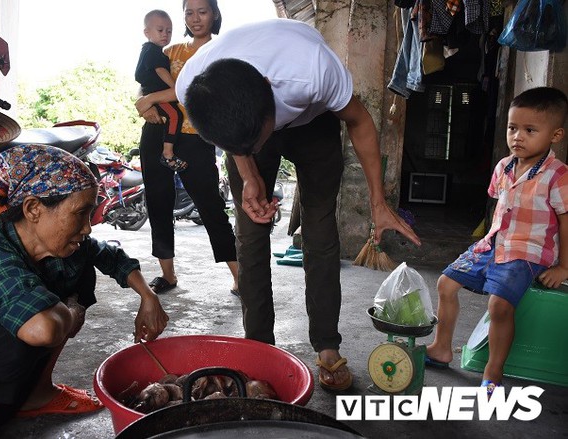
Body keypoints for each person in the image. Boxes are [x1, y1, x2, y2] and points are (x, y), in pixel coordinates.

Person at [176, 18, 421, 392]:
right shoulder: (194, 84)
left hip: (314, 122)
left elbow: (359, 122)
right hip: (247, 123)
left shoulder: (313, 71)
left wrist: (378, 202)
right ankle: (259, 346)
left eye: (255, 143)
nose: (253, 151)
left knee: (320, 228)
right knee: (251, 230)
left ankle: (326, 345)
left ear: (269, 92)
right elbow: (236, 139)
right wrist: (248, 170)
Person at [0, 144, 169, 438]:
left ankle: (37, 394)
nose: (87, 228)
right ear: (33, 209)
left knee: (77, 273)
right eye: (81, 213)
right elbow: (41, 330)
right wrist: (72, 312)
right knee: (22, 327)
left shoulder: (61, 244)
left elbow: (111, 257)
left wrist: (149, 297)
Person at [425, 87, 568, 395]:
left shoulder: (558, 175)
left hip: (527, 252)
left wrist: (564, 266)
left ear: (555, 135)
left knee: (500, 305)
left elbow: (566, 218)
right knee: (445, 284)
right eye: (512, 128)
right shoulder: (503, 166)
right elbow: (498, 205)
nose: (518, 136)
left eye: (530, 130)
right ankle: (441, 348)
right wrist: (482, 240)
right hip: (495, 243)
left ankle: (494, 370)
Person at [135, 0, 239, 297]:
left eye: (202, 12)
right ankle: (167, 274)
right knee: (158, 202)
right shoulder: (170, 51)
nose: (195, 18)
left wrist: (151, 99)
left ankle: (238, 275)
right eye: (189, 13)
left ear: (214, 15)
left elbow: (194, 89)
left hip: (196, 137)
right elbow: (144, 84)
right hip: (157, 134)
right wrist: (145, 103)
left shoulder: (222, 51)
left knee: (210, 205)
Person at [135, 9, 187, 172]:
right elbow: (160, 71)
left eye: (169, 31)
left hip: (152, 94)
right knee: (174, 115)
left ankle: (167, 151)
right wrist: (174, 87)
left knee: (173, 115)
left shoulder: (150, 50)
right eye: (160, 30)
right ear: (146, 32)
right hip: (156, 95)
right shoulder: (153, 51)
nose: (165, 34)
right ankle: (168, 153)